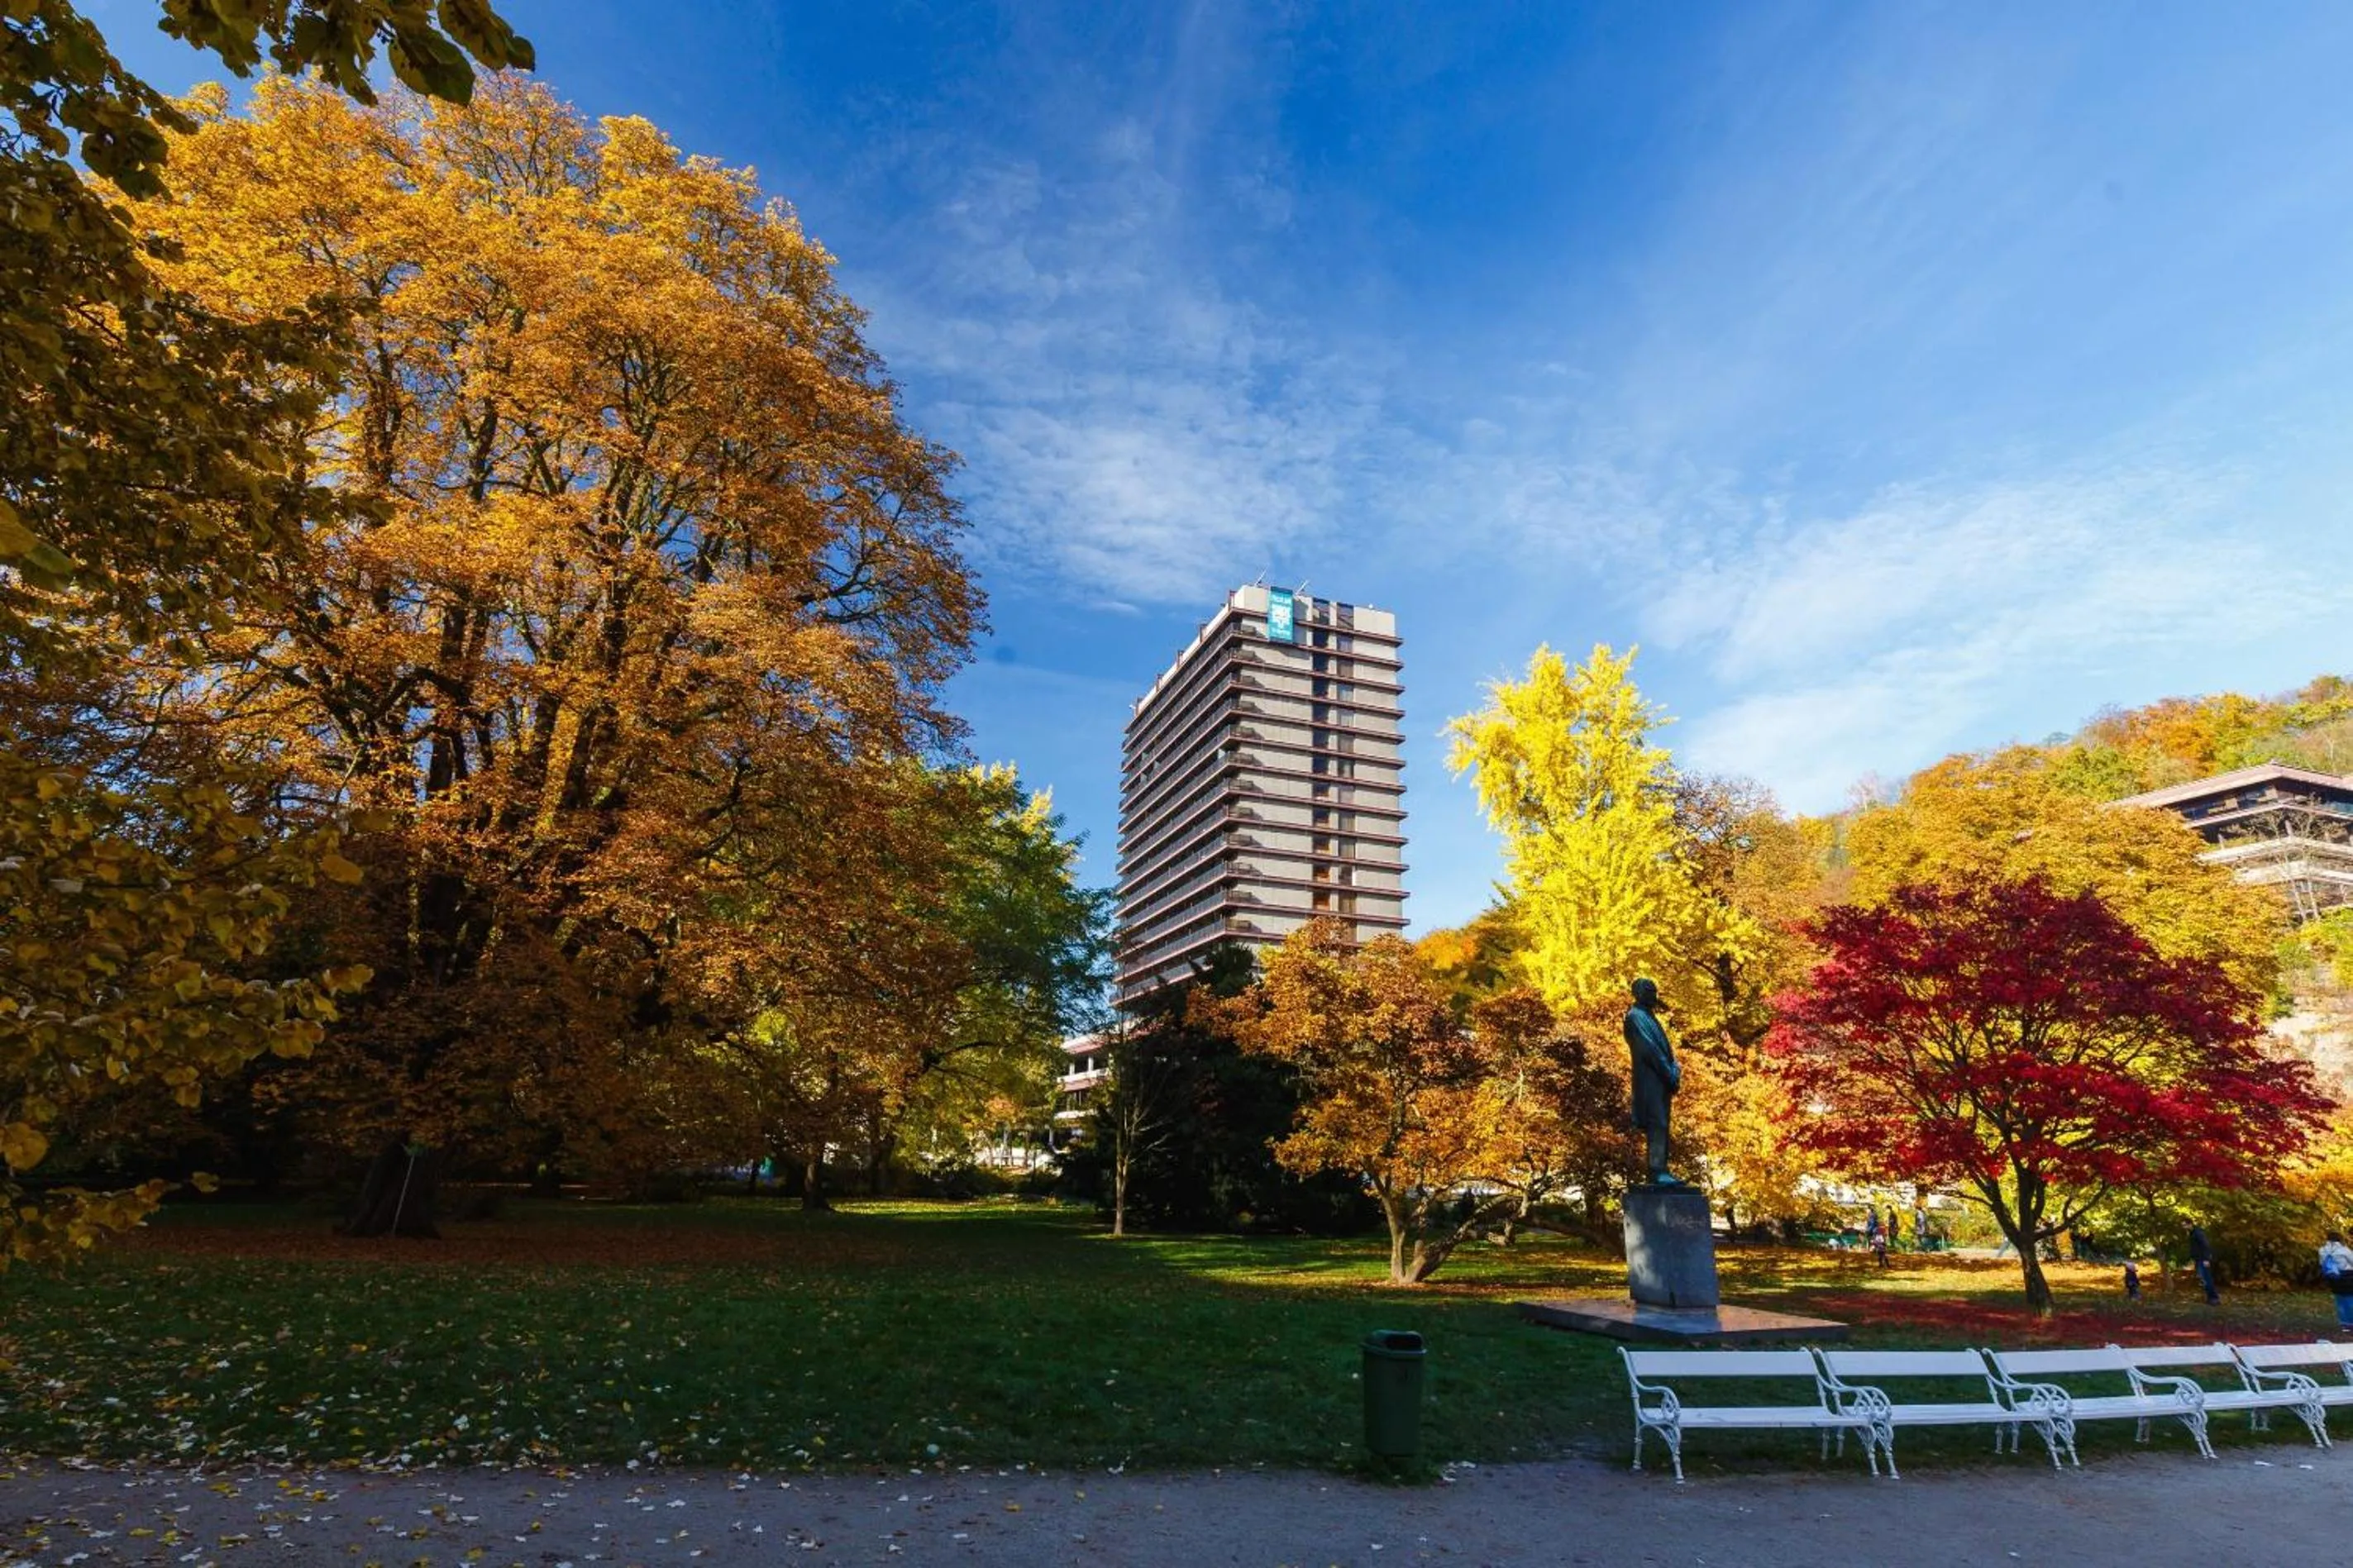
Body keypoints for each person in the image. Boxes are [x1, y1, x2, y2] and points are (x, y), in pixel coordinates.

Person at [2319, 1232, 2353, 1330]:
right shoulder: (2344, 1250)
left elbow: (2322, 1264)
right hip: (2347, 1277)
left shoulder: (2322, 1250)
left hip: (2333, 1278)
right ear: (2340, 1239)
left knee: (2340, 1300)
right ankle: (2351, 1322)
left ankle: (2344, 1324)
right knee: (2350, 1300)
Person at [2187, 1223, 2220, 1304]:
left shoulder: (2198, 1233)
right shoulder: (2192, 1233)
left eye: (2185, 1225)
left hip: (2203, 1259)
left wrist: (2206, 1259)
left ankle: (2214, 1298)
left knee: (2206, 1278)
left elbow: (2205, 1245)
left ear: (2190, 1224)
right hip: (2199, 1259)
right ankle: (2210, 1298)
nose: (2184, 1227)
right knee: (2203, 1279)